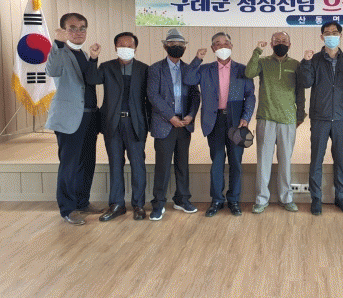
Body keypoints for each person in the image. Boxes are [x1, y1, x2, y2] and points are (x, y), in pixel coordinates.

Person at [184, 32, 255, 217]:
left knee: (236, 162)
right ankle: (217, 200)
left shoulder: (242, 70)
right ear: (213, 48)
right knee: (217, 161)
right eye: (217, 44)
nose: (222, 46)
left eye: (225, 43)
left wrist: (246, 117)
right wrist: (197, 59)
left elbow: (250, 96)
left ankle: (234, 200)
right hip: (214, 121)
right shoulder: (205, 69)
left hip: (236, 122)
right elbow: (188, 79)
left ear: (231, 46)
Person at [46, 13, 104, 225]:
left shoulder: (84, 54)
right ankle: (67, 209)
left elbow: (89, 80)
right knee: (69, 165)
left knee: (87, 163)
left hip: (89, 117)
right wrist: (57, 44)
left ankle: (82, 202)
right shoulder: (60, 51)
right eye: (72, 28)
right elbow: (52, 70)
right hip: (70, 119)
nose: (78, 32)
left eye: (82, 28)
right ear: (63, 31)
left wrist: (94, 58)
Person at [86, 32, 150, 221]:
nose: (126, 48)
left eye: (130, 46)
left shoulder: (144, 69)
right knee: (115, 163)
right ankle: (116, 205)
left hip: (135, 123)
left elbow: (150, 98)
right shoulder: (106, 67)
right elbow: (91, 79)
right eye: (122, 45)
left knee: (138, 164)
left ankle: (138, 205)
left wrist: (150, 123)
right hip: (112, 123)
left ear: (135, 48)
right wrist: (93, 58)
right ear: (115, 47)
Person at [299, 21, 343, 216]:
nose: (331, 35)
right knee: (316, 159)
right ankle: (316, 198)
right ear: (322, 36)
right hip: (320, 117)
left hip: (340, 117)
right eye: (327, 32)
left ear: (340, 35)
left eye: (335, 32)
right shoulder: (314, 59)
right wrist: (305, 62)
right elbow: (306, 83)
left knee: (340, 158)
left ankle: (341, 197)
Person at [245, 32, 306, 214]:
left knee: (285, 162)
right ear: (271, 44)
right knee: (263, 162)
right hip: (266, 118)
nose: (281, 43)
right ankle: (261, 199)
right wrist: (257, 51)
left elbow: (300, 92)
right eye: (277, 41)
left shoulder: (296, 65)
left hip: (288, 119)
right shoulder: (263, 62)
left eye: (284, 41)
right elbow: (249, 72)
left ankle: (286, 198)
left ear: (290, 44)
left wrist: (300, 115)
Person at [147, 29, 200, 221]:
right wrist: (171, 117)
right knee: (162, 166)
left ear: (185, 47)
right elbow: (153, 96)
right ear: (165, 46)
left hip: (184, 124)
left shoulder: (189, 69)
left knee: (182, 164)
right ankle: (158, 203)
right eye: (172, 44)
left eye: (180, 44)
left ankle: (182, 199)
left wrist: (191, 115)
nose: (177, 47)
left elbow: (195, 95)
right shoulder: (155, 69)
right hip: (165, 123)